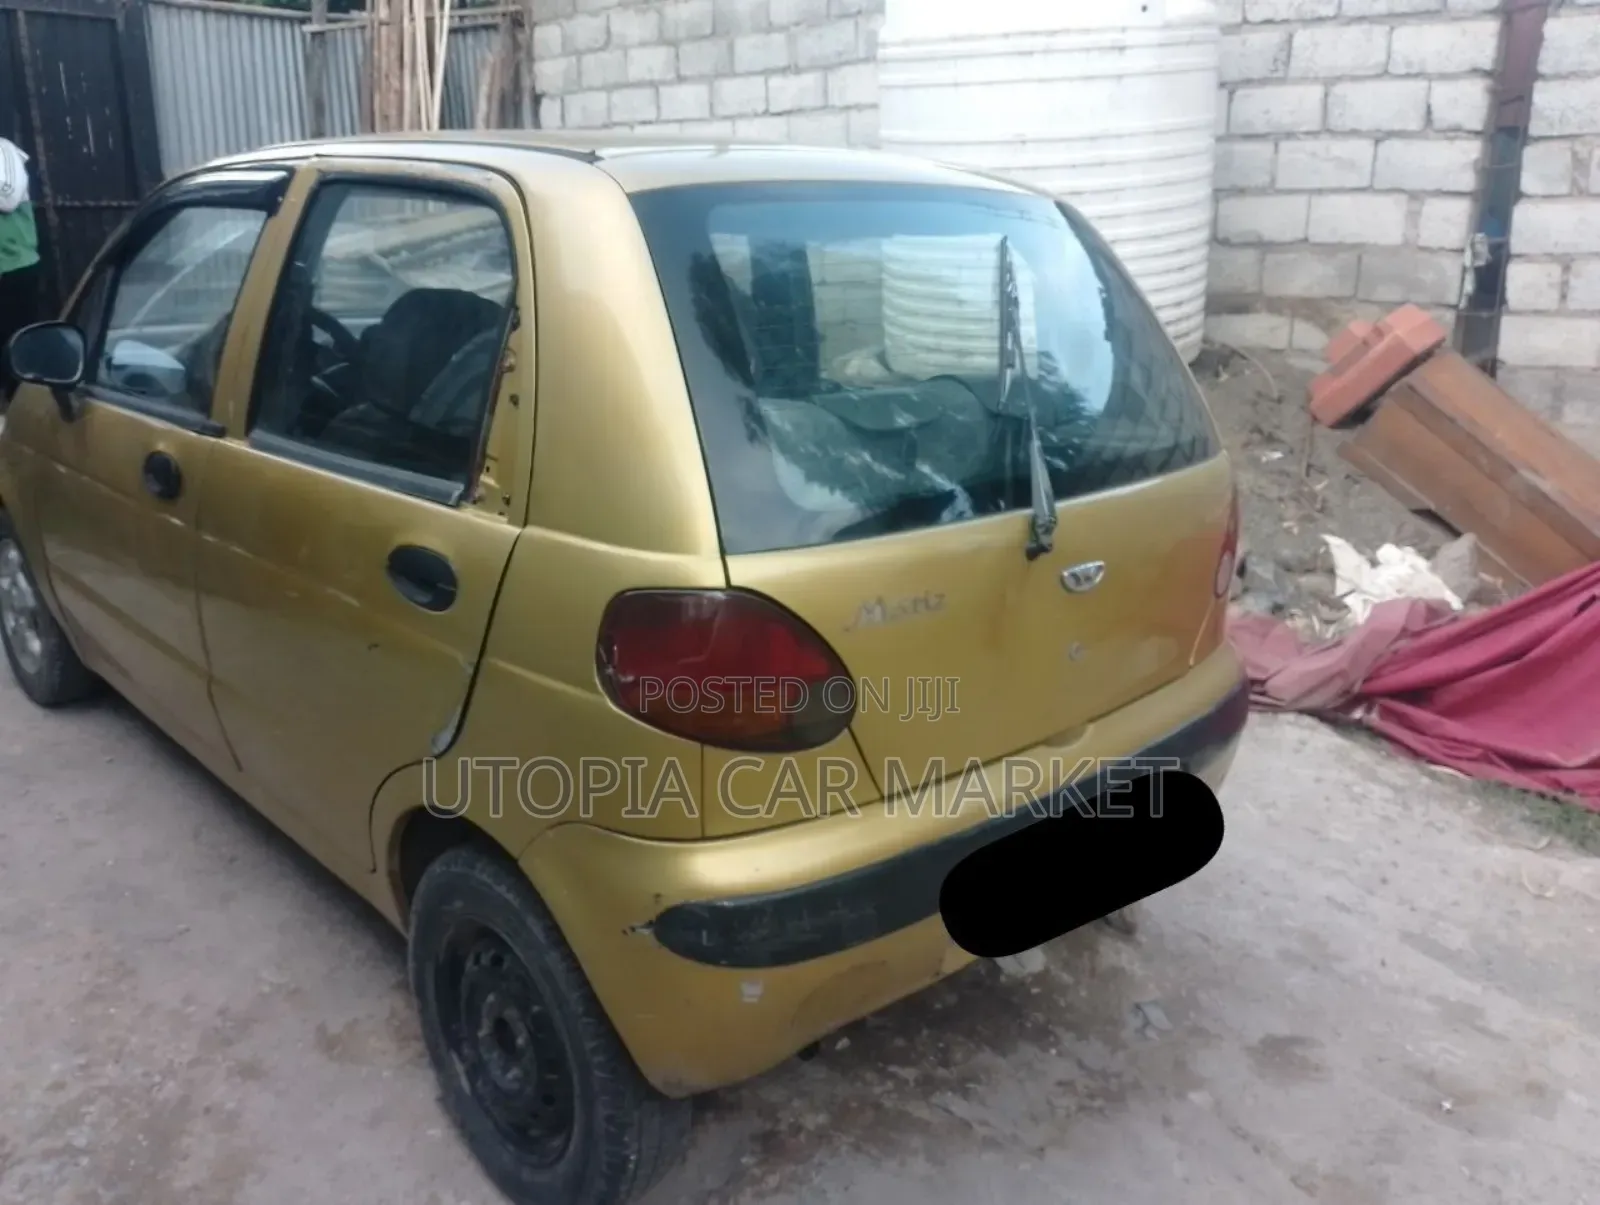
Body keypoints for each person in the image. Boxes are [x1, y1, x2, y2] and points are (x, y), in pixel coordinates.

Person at [0, 135, 41, 399]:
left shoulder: (4, 150)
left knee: (16, 345)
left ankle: (21, 406)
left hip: (15, 267)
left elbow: (8, 197)